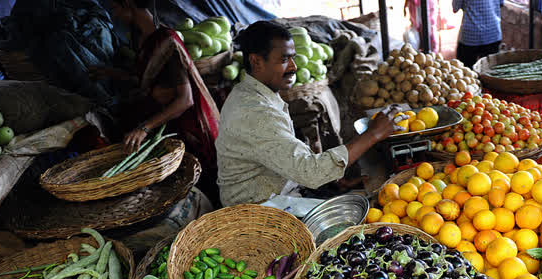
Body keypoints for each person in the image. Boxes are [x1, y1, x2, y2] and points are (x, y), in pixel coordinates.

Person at [215, 21, 404, 207]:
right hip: (256, 213)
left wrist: (331, 181)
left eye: (293, 58)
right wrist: (373, 134)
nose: (293, 67)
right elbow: (309, 171)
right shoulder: (254, 111)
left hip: (279, 193)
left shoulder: (256, 93)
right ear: (256, 61)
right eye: (283, 59)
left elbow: (284, 156)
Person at [100, 0, 220, 204]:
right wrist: (112, 73)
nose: (115, 15)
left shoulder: (165, 42)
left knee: (197, 188)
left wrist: (144, 128)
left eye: (115, 8)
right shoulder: (145, 38)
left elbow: (185, 100)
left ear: (128, 3)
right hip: (168, 123)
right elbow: (148, 77)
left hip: (186, 129)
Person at [452, 0, 503, 68]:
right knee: (491, 71)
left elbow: (455, 8)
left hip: (470, 36)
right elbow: (501, 4)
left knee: (465, 72)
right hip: (492, 33)